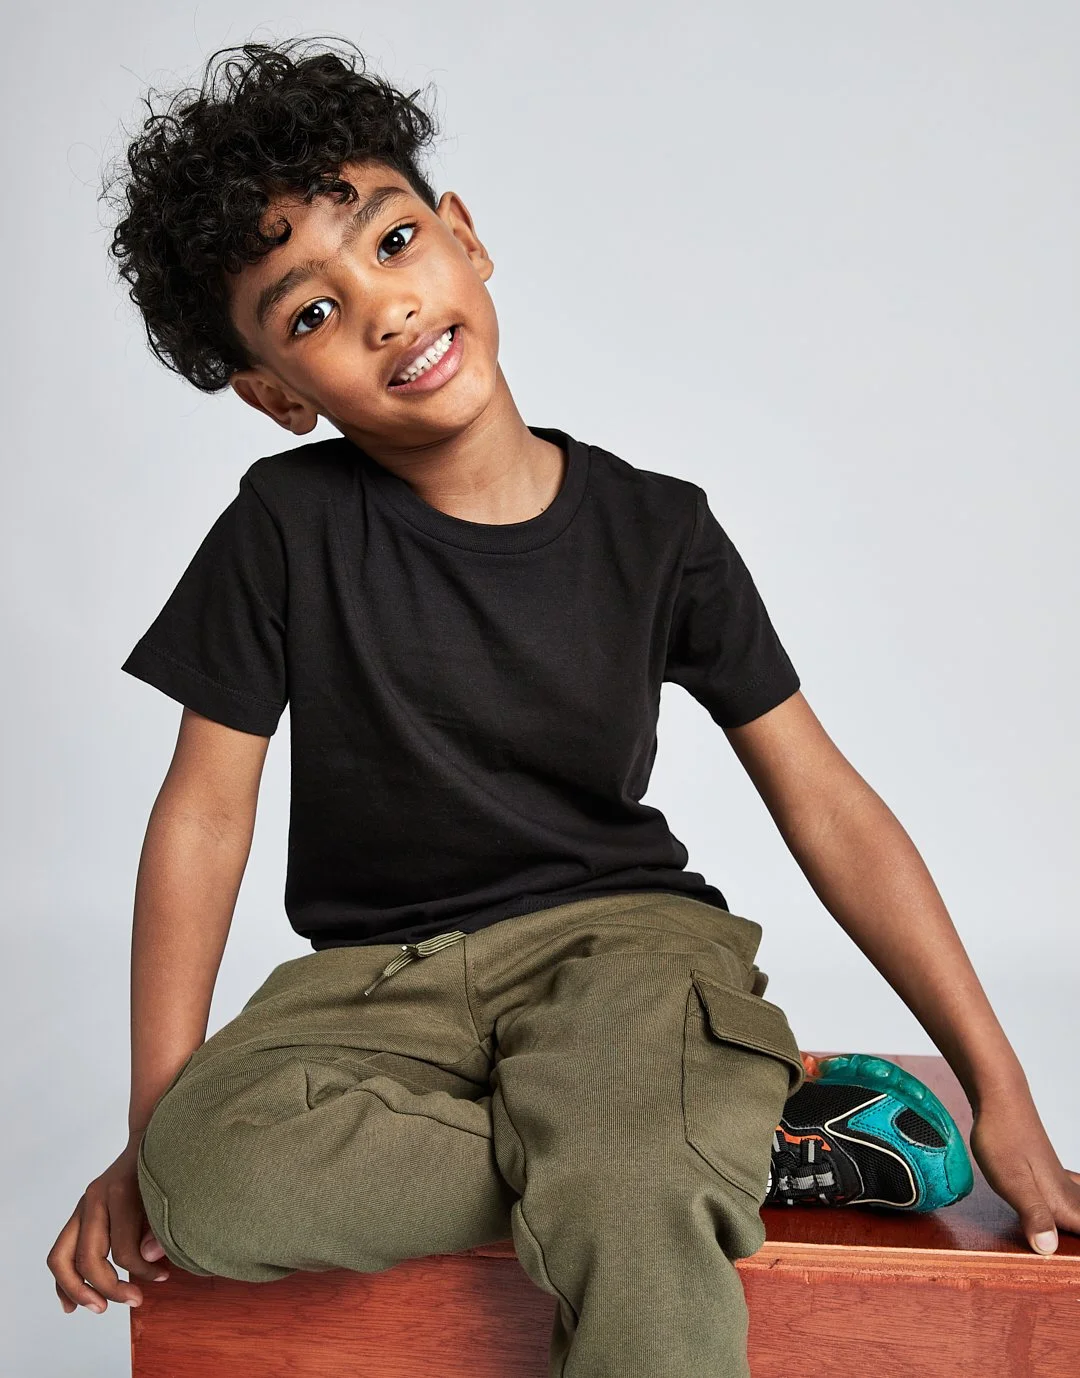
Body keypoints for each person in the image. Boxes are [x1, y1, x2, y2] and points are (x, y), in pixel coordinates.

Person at [47, 35, 1080, 1377]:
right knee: (205, 1177)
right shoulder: (280, 531)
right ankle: (707, 1134)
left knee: (623, 1172)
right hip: (380, 988)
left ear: (466, 238)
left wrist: (999, 1083)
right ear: (271, 393)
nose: (383, 308)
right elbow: (201, 816)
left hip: (623, 956)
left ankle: (649, 1134)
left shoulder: (662, 533)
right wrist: (150, 1132)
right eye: (307, 313)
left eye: (396, 240)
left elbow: (827, 801)